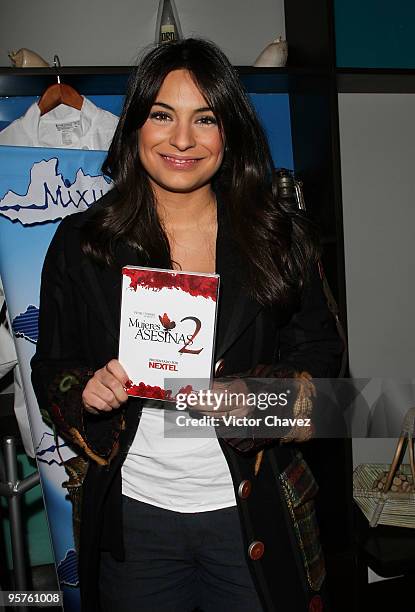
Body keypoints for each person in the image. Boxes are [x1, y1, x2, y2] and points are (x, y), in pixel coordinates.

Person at [31, 38, 343, 612]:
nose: (181, 140)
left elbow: (325, 376)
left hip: (252, 509)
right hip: (135, 520)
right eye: (161, 115)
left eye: (205, 118)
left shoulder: (282, 239)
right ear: (135, 127)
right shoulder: (81, 244)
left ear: (231, 132)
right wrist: (87, 391)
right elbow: (52, 366)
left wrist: (256, 399)